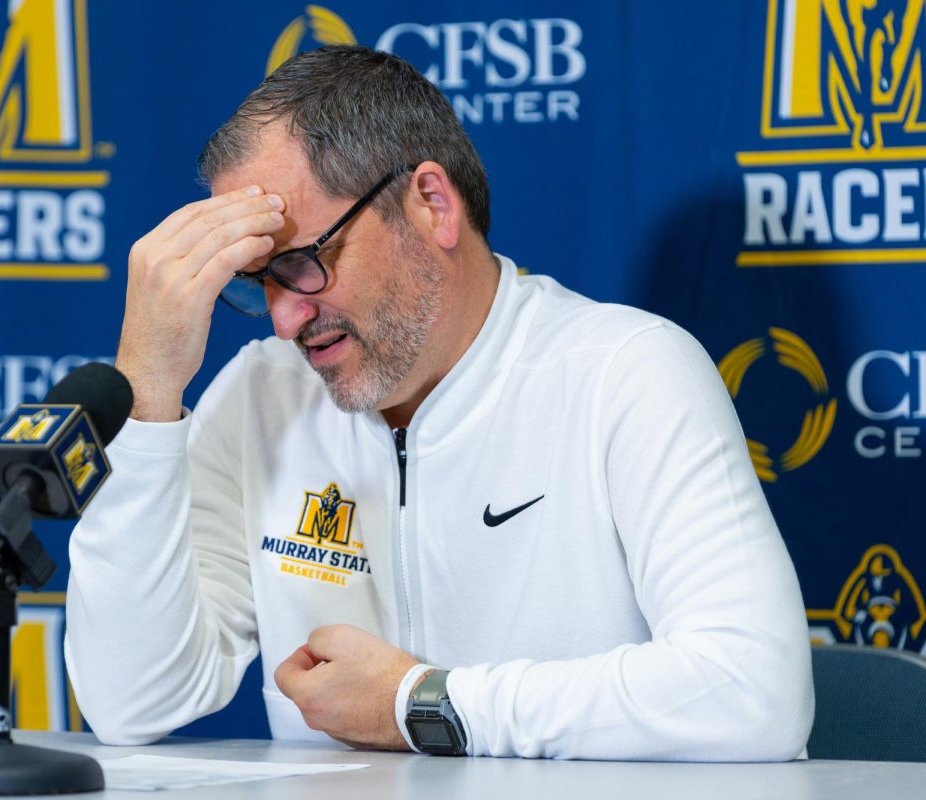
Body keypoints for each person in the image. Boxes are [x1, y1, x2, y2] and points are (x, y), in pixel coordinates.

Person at [64, 45, 814, 760]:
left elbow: (754, 691)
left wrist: (420, 705)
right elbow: (133, 703)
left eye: (303, 262)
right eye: (258, 280)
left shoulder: (625, 371)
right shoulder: (263, 397)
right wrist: (148, 397)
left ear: (430, 203)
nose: (287, 318)